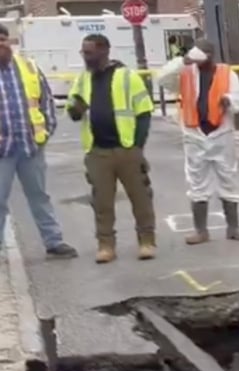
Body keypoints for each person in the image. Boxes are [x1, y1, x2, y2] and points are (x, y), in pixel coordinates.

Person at [66, 34, 156, 264]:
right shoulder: (83, 79)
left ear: (104, 51)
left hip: (126, 149)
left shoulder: (127, 77)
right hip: (97, 152)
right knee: (102, 202)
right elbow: (73, 113)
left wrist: (137, 146)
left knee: (141, 198)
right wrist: (76, 109)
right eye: (83, 52)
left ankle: (146, 241)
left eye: (88, 52)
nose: (85, 57)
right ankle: (106, 246)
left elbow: (144, 112)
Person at [157, 38, 239, 244]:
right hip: (194, 134)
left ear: (211, 55)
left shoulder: (227, 73)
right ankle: (201, 231)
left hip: (221, 133)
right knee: (196, 182)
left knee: (228, 178)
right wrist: (185, 60)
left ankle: (233, 228)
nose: (201, 59)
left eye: (204, 54)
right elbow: (162, 78)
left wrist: (229, 100)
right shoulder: (185, 73)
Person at [0, 25, 77, 259]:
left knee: (39, 196)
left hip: (30, 146)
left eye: (4, 39)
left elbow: (46, 102)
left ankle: (53, 241)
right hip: (2, 152)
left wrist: (46, 132)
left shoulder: (29, 67)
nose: (1, 44)